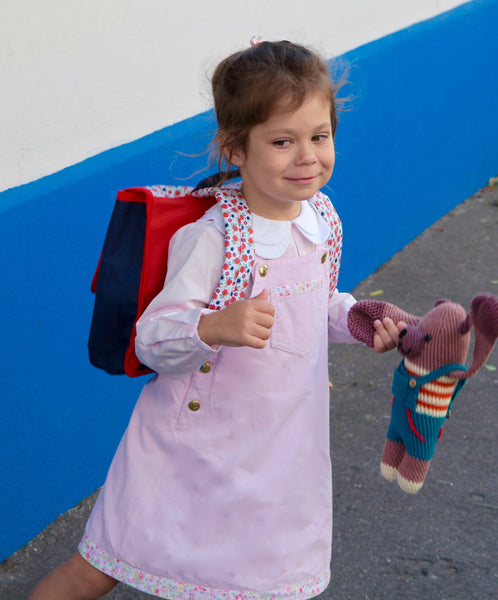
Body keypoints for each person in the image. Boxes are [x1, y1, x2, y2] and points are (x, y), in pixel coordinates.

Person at [28, 40, 402, 600]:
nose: (307, 156)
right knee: (100, 567)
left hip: (280, 450)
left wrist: (355, 317)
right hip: (191, 449)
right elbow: (153, 339)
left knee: (260, 582)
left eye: (319, 136)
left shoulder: (321, 218)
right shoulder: (215, 239)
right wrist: (213, 326)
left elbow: (312, 307)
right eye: (282, 141)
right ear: (235, 149)